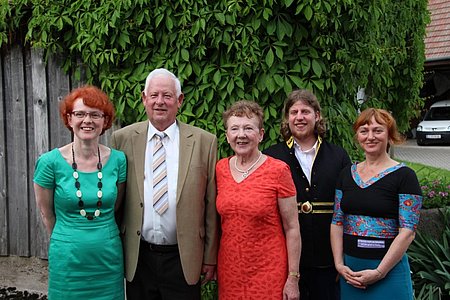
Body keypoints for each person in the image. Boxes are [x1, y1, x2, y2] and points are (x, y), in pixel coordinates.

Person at [110, 68, 218, 300]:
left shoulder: (204, 142)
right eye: (154, 95)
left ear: (179, 101)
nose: (160, 101)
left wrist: (210, 256)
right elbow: (116, 200)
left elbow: (210, 204)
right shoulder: (122, 139)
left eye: (167, 96)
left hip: (183, 257)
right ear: (144, 98)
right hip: (139, 257)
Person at [33, 85, 127, 299]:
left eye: (95, 115)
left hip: (108, 260)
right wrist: (69, 238)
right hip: (67, 261)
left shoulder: (119, 161)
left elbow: (116, 205)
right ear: (69, 119)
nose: (88, 120)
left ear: (105, 121)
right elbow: (46, 213)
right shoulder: (50, 163)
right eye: (80, 114)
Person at [264, 89, 351, 300]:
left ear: (317, 115)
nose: (299, 117)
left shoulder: (338, 155)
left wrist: (342, 258)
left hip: (327, 256)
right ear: (287, 118)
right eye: (293, 112)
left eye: (306, 111)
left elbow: (347, 208)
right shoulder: (271, 156)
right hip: (285, 257)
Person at [330, 108, 422, 299]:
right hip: (351, 273)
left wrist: (380, 271)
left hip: (389, 272)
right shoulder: (346, 174)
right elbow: (337, 222)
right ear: (357, 136)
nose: (370, 137)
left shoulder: (405, 176)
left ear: (390, 135)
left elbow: (408, 232)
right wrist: (339, 265)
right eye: (364, 131)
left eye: (377, 130)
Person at [216, 100, 301, 300]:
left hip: (268, 271)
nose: (241, 135)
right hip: (230, 271)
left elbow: (292, 227)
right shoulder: (220, 169)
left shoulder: (278, 170)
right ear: (227, 136)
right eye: (234, 128)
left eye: (248, 128)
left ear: (261, 134)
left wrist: (293, 277)